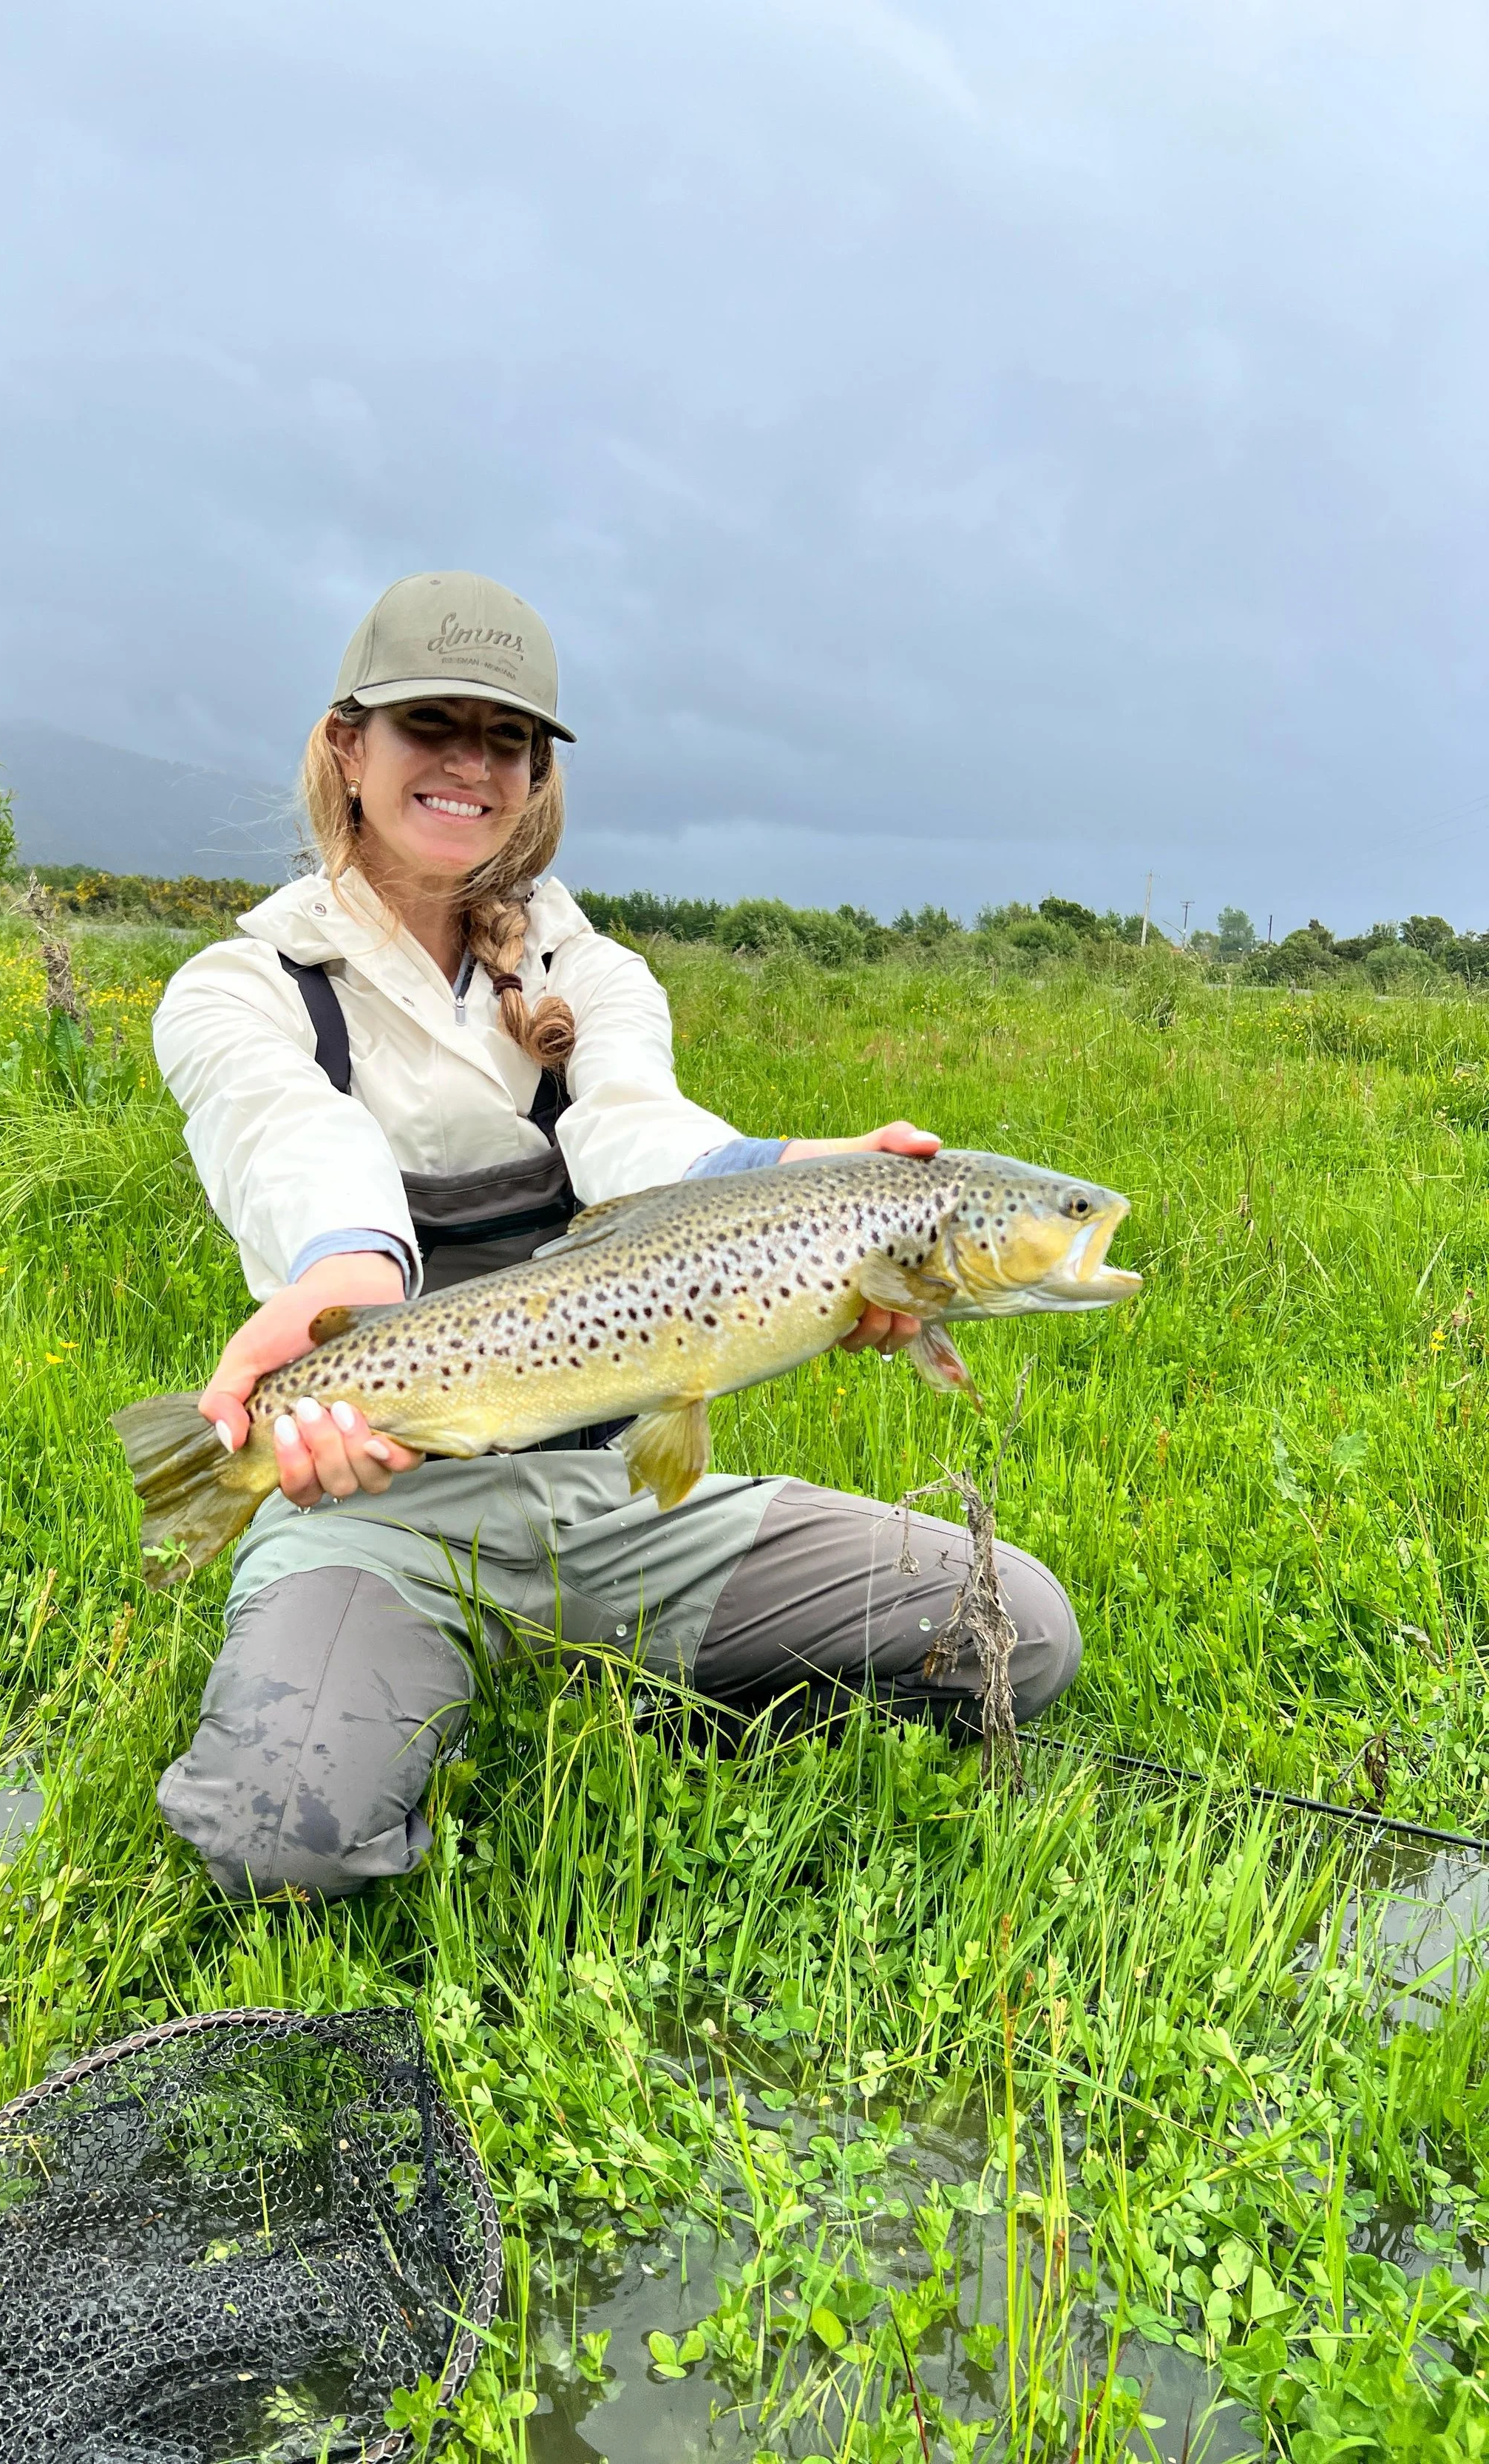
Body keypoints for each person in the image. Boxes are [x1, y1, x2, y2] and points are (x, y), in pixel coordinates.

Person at [149, 571, 1080, 1900]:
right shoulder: (237, 987)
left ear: (536, 773)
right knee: (275, 1839)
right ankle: (433, 1672)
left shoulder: (595, 973)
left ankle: (608, 1691)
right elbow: (296, 1145)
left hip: (613, 1500)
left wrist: (787, 1178)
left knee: (1015, 1634)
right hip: (373, 1504)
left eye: (507, 739)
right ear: (347, 746)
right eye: (434, 727)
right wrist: (350, 1270)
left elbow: (644, 1136)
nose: (471, 765)